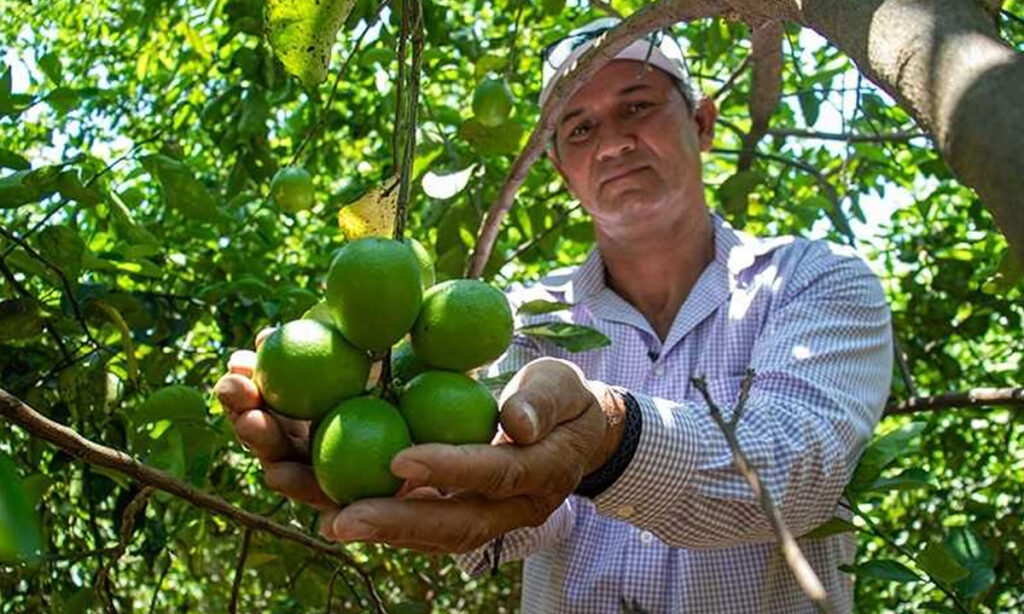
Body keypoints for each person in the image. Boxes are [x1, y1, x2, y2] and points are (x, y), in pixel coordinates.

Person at [214, 17, 894, 613]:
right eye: (581, 127)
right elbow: (525, 512)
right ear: (562, 168)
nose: (614, 142)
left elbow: (797, 475)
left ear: (704, 122)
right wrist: (373, 440)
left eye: (638, 107)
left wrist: (611, 439)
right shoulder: (523, 318)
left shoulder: (814, 282)